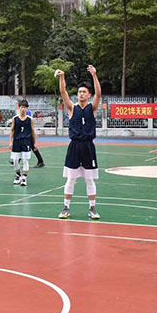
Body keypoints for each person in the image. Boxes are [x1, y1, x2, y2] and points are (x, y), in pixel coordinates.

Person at [55, 66, 101, 220]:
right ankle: (66, 207)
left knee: (89, 179)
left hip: (88, 146)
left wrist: (94, 75)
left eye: (84, 92)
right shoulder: (72, 108)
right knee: (71, 178)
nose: (81, 93)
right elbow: (63, 92)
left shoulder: (92, 108)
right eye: (79, 91)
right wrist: (62, 76)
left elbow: (99, 94)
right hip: (74, 146)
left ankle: (92, 208)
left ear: (88, 95)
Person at [9, 100, 36, 187]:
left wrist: (34, 143)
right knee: (15, 160)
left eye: (24, 107)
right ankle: (18, 175)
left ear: (27, 108)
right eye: (21, 107)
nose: (23, 109)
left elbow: (33, 131)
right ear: (19, 107)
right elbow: (12, 130)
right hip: (16, 141)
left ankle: (24, 177)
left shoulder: (30, 119)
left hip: (26, 141)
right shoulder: (15, 118)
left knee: (25, 160)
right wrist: (10, 142)